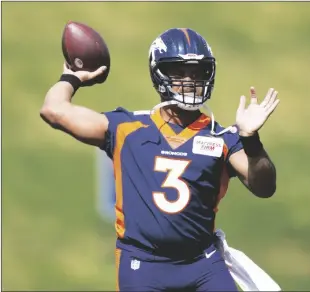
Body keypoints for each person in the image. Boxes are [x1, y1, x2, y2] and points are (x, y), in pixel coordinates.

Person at [40, 27, 279, 291]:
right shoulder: (126, 128)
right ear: (160, 74)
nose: (189, 80)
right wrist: (71, 77)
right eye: (178, 72)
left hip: (202, 264)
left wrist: (251, 140)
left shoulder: (221, 136)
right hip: (143, 263)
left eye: (197, 72)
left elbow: (264, 187)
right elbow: (54, 110)